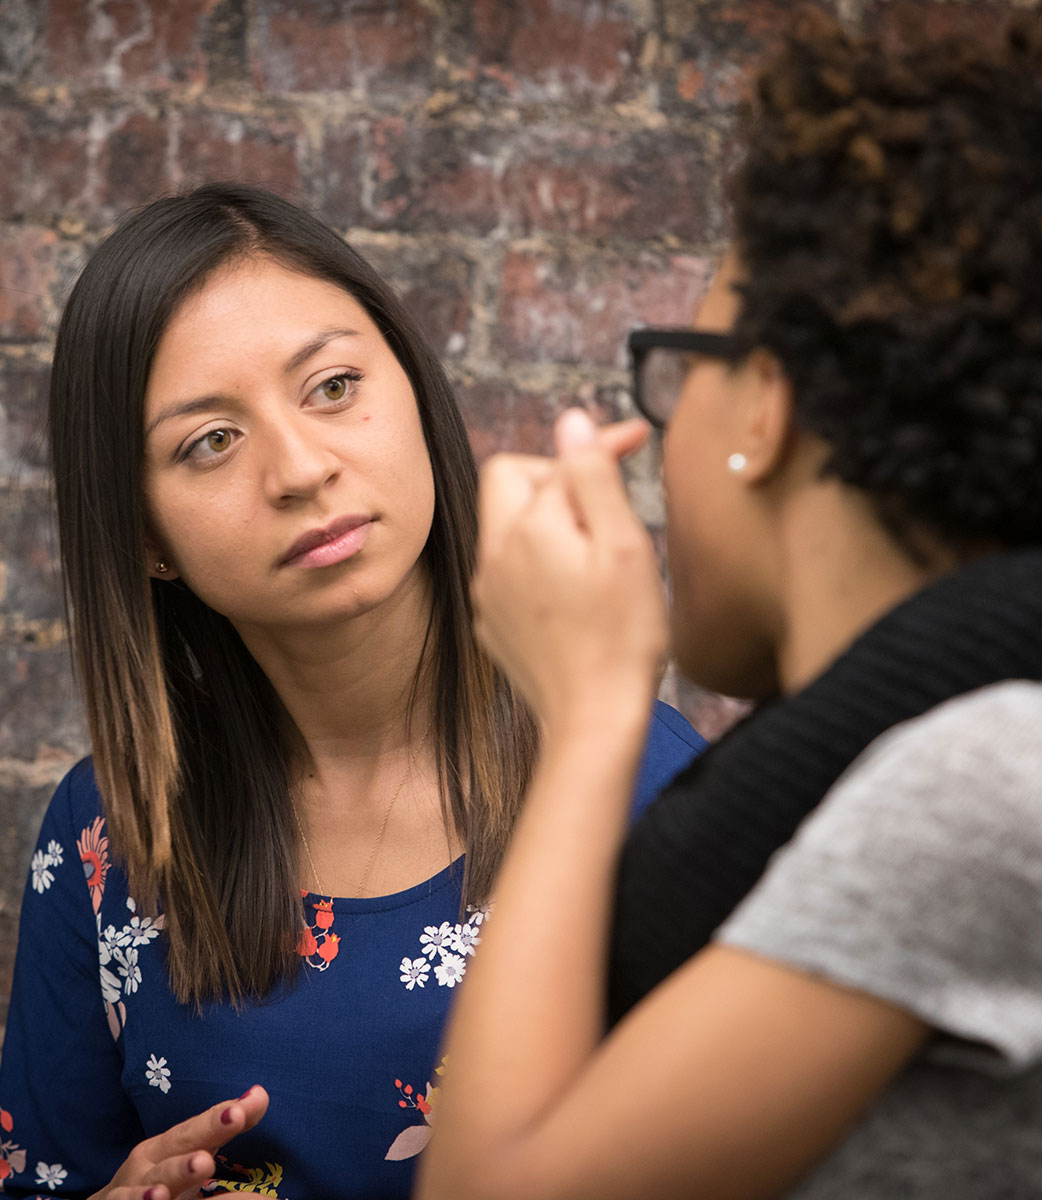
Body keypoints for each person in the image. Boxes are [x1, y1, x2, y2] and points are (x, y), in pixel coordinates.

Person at [416, 14, 1042, 1200]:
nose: (664, 435)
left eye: (679, 376)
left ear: (766, 406)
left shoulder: (999, 780)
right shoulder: (940, 759)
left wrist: (584, 712)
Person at [0, 183, 703, 1200]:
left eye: (331, 387)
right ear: (146, 537)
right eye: (210, 441)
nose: (299, 468)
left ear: (413, 389)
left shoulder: (639, 779)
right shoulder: (111, 831)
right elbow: (42, 1174)